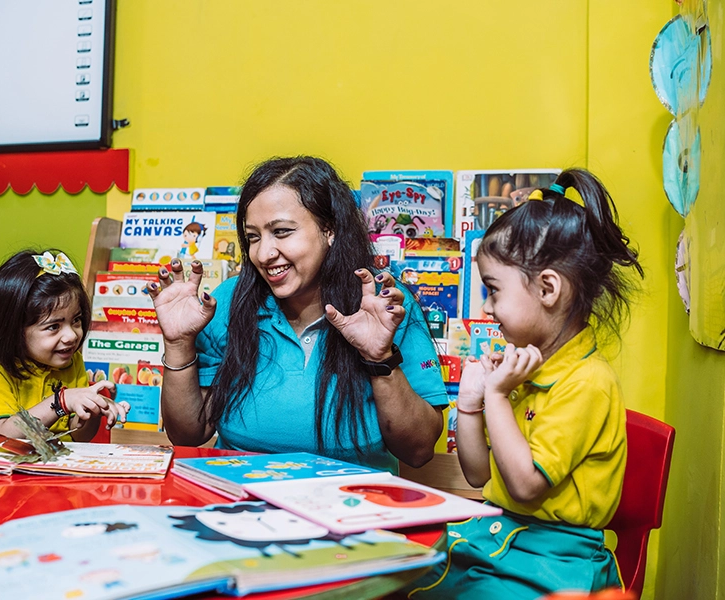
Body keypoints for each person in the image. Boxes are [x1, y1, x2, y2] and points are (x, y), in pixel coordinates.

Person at [403, 169, 644, 599]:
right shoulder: (526, 367)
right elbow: (479, 475)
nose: (488, 307)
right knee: (406, 582)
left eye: (494, 291)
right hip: (505, 537)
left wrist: (496, 395)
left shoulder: (588, 382)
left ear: (548, 288)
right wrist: (474, 405)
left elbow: (526, 484)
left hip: (557, 560)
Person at [147, 156, 447, 472]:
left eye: (282, 231)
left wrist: (380, 358)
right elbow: (187, 435)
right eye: (253, 236)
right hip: (240, 507)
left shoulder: (382, 304)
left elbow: (419, 450)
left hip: (349, 508)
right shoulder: (227, 302)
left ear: (329, 229)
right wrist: (179, 343)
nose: (263, 254)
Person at [0, 249, 130, 442]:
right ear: (13, 329)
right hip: (0, 469)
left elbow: (78, 437)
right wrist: (61, 401)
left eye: (76, 320)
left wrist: (92, 410)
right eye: (53, 326)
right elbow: (3, 436)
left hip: (52, 468)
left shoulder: (71, 360)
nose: (71, 336)